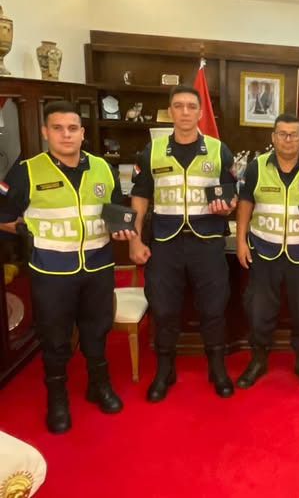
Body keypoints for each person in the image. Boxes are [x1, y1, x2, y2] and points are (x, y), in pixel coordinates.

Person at [0, 101, 131, 433]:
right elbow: (3, 214)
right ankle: (57, 398)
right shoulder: (26, 171)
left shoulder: (104, 168)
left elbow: (116, 210)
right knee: (55, 337)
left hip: (98, 266)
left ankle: (98, 385)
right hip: (52, 271)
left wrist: (122, 228)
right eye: (58, 128)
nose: (66, 135)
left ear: (82, 133)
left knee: (96, 330)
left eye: (72, 128)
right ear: (46, 132)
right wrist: (23, 230)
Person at [129, 85, 237, 402]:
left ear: (201, 112)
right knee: (163, 310)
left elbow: (232, 195)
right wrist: (134, 239)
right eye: (179, 106)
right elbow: (140, 198)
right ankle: (165, 371)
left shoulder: (219, 150)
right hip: (165, 243)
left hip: (208, 243)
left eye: (191, 106)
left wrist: (227, 206)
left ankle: (217, 368)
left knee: (214, 308)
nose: (185, 112)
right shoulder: (151, 151)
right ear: (170, 112)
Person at [235, 113, 299, 389]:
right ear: (273, 137)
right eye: (282, 134)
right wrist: (241, 241)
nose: (288, 139)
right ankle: (258, 360)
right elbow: (245, 204)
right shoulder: (256, 167)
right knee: (259, 311)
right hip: (264, 253)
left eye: (293, 135)